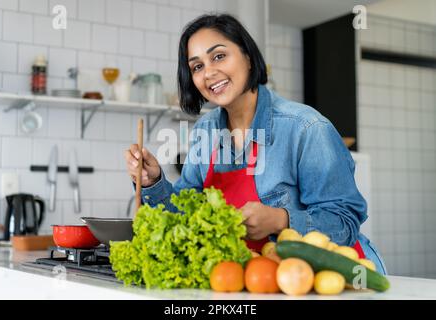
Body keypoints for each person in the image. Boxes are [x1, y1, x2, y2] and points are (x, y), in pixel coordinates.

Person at [124, 14, 387, 274]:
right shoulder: (206, 130)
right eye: (197, 66)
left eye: (219, 56)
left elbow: (345, 221)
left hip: (334, 278)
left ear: (248, 57)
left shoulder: (305, 127)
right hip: (262, 281)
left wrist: (280, 220)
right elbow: (183, 216)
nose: (209, 73)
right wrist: (153, 182)